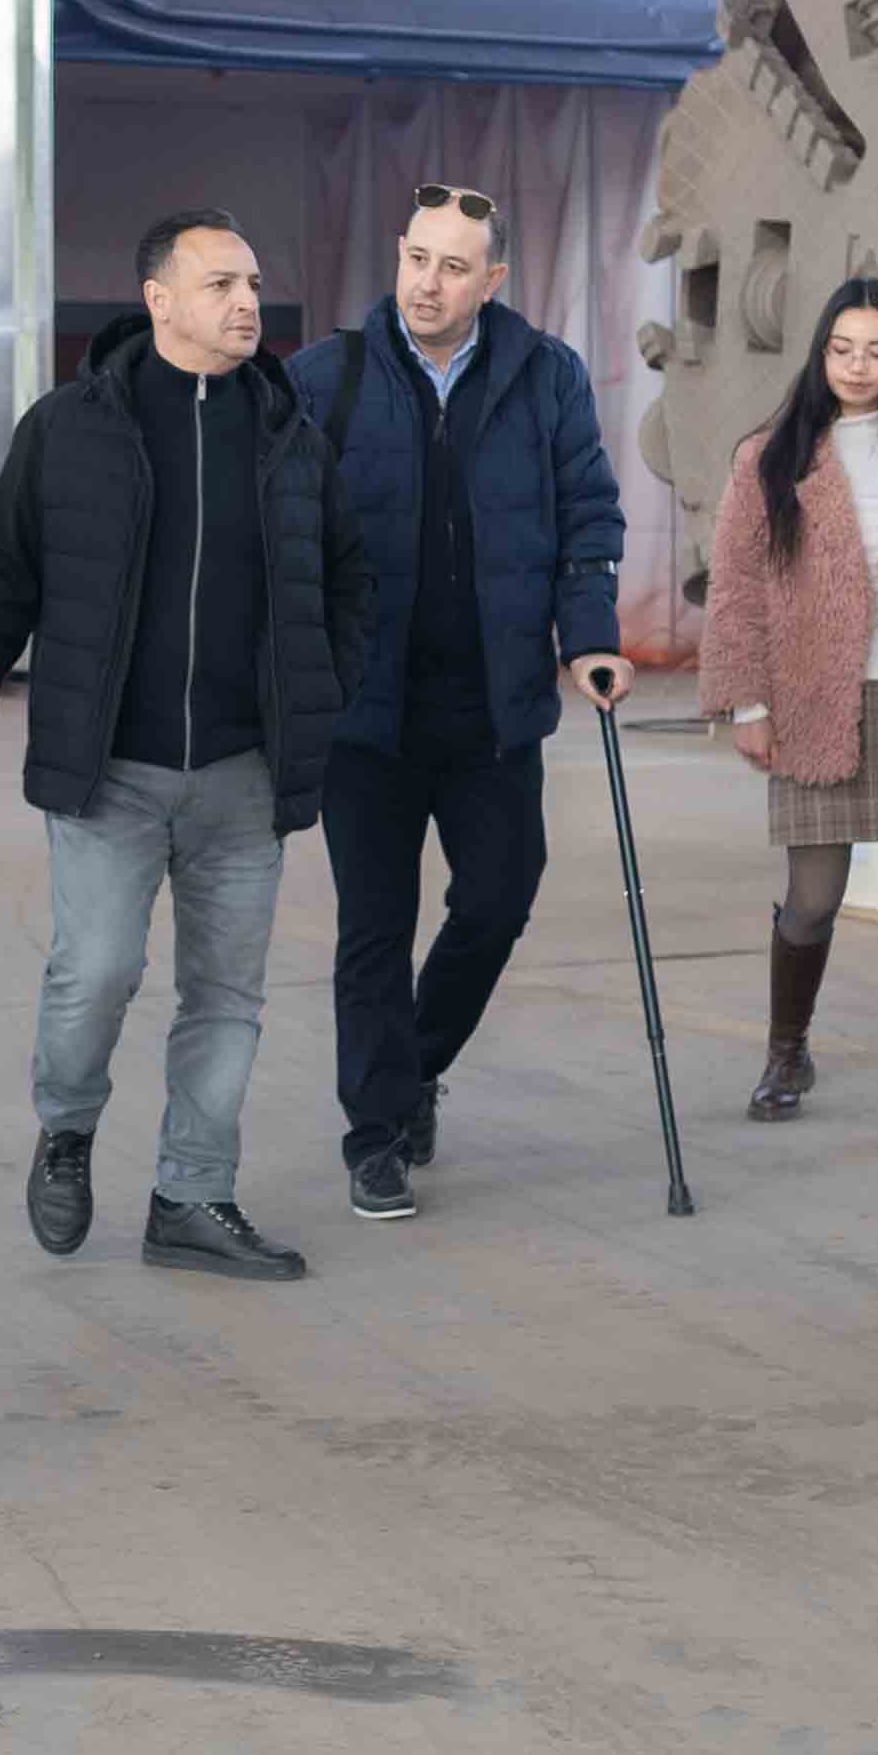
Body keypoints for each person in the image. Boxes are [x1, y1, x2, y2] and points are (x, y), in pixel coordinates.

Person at [0, 210, 367, 1283]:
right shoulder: (70, 429)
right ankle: (67, 1130)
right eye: (221, 285)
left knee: (226, 998)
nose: (247, 303)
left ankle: (192, 1197)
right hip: (109, 770)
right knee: (96, 973)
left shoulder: (289, 436)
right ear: (159, 299)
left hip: (243, 775)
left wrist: (323, 696)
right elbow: (1, 573)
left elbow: (346, 580)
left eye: (252, 284)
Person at [281, 183, 625, 1224]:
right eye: (416, 258)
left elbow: (586, 517)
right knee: (373, 930)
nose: (427, 283)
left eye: (453, 267)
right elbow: (277, 529)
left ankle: (414, 1065)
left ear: (493, 280)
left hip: (490, 707)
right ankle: (376, 1136)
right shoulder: (325, 378)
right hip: (366, 714)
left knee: (497, 900)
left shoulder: (547, 376)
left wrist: (590, 636)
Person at [695, 278, 878, 1155]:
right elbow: (736, 586)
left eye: (877, 351)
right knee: (811, 901)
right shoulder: (769, 457)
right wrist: (749, 703)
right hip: (815, 698)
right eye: (842, 349)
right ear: (821, 352)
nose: (858, 366)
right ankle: (787, 1053)